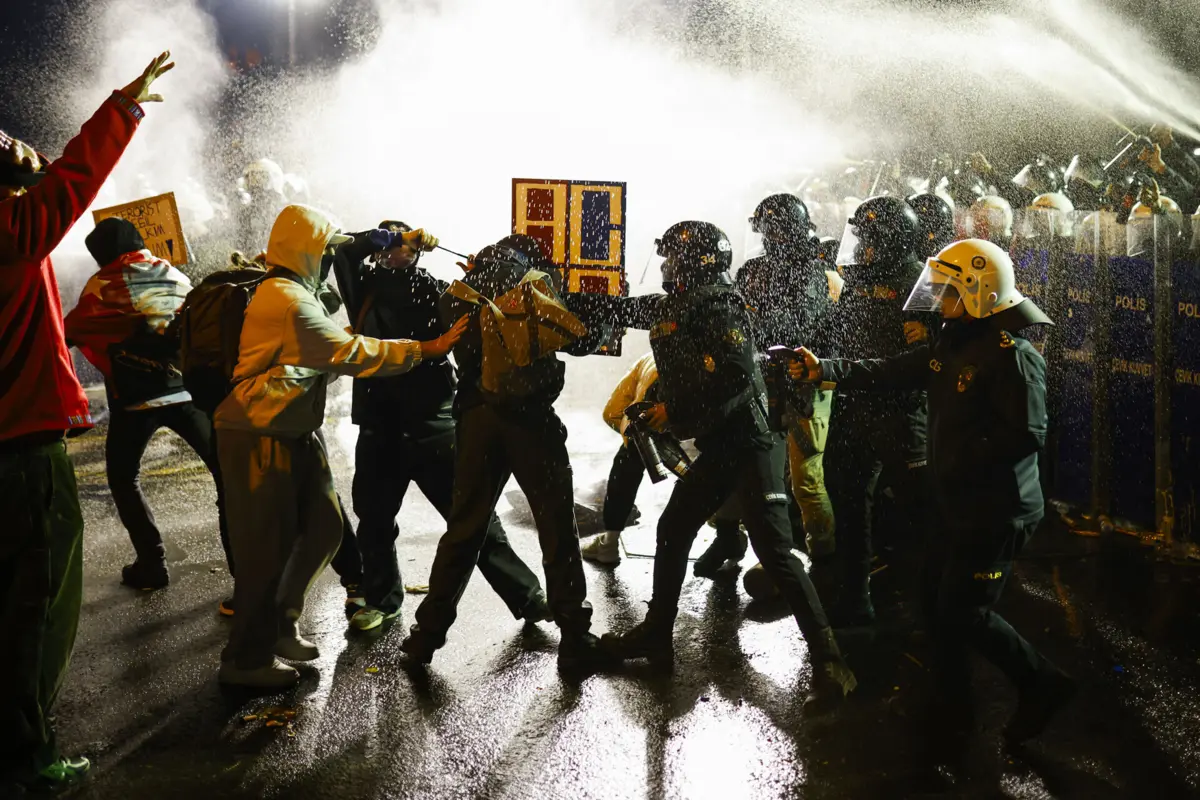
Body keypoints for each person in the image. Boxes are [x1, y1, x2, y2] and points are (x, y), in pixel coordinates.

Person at [789, 238, 1076, 745]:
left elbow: (1027, 435)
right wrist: (827, 370)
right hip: (958, 504)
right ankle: (952, 708)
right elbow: (899, 370)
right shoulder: (955, 339)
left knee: (965, 612)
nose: (938, 302)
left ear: (979, 292)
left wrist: (960, 462)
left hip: (995, 511)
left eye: (947, 293)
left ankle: (1043, 684)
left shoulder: (1013, 354)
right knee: (932, 601)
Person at [0, 52, 174, 793]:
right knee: (33, 603)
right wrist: (122, 109)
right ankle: (23, 756)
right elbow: (69, 183)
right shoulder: (10, 229)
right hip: (19, 446)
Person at [600, 221, 856, 711]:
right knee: (673, 529)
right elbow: (620, 308)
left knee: (777, 551)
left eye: (674, 256)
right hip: (722, 444)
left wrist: (672, 412)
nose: (668, 264)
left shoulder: (719, 304)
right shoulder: (678, 303)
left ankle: (830, 662)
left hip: (752, 442)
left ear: (694, 260)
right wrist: (547, 284)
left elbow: (738, 376)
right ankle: (656, 637)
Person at [212, 204, 465, 689]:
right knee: (264, 550)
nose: (330, 260)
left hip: (293, 430)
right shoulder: (288, 300)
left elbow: (345, 271)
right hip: (259, 432)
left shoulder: (298, 292)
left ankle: (282, 622)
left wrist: (391, 240)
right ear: (305, 251)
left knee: (326, 527)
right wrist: (424, 349)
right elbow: (348, 353)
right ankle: (245, 660)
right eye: (324, 252)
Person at [400, 235, 611, 673]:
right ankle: (574, 638)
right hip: (531, 423)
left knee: (463, 531)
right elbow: (579, 340)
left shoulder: (462, 292)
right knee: (556, 529)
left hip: (476, 421)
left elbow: (446, 324)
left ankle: (425, 637)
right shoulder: (536, 283)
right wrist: (602, 312)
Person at [331, 221, 548, 630]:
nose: (402, 244)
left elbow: (484, 314)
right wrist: (395, 237)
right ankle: (381, 600)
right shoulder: (363, 284)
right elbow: (342, 249)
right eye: (392, 238)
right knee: (375, 520)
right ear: (380, 247)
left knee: (471, 517)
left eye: (408, 238)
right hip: (379, 425)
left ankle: (528, 596)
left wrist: (479, 274)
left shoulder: (434, 286)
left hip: (435, 420)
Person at [65, 217, 231, 590]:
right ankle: (244, 564)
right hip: (187, 391)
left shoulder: (102, 285)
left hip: (135, 399)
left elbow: (71, 330)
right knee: (225, 474)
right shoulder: (173, 274)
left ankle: (152, 563)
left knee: (123, 478)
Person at [826, 194, 931, 626]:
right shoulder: (858, 278)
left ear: (889, 240)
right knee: (849, 505)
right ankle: (855, 597)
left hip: (900, 412)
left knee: (918, 512)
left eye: (868, 238)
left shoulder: (921, 282)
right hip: (854, 406)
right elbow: (837, 331)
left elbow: (919, 358)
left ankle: (929, 606)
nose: (860, 247)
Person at [580, 351, 659, 565]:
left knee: (627, 464)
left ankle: (609, 543)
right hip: (702, 408)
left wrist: (632, 439)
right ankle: (729, 534)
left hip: (649, 407)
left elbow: (611, 412)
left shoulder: (646, 360)